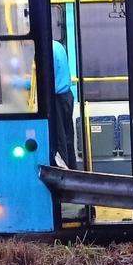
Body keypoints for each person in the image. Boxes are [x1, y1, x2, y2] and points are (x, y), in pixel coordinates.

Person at [52, 39, 77, 169]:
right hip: (67, 96)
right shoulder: (57, 46)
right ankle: (72, 170)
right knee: (67, 140)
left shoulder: (46, 50)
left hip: (56, 99)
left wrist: (16, 83)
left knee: (59, 141)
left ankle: (63, 173)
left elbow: (45, 79)